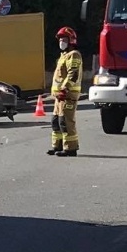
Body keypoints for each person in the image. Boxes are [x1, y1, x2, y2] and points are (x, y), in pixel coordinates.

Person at [49, 26, 83, 157]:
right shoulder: (63, 56)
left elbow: (72, 74)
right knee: (56, 121)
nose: (61, 42)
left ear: (71, 41)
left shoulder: (74, 55)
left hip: (67, 95)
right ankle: (57, 146)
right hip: (59, 97)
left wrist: (65, 89)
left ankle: (71, 148)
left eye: (64, 39)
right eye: (60, 39)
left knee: (66, 121)